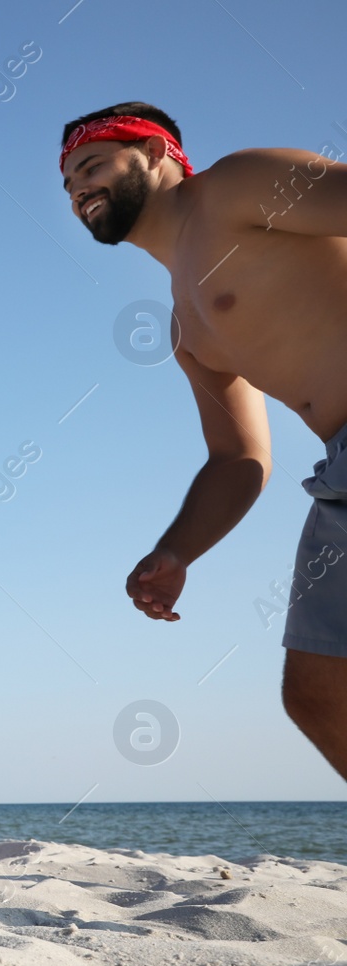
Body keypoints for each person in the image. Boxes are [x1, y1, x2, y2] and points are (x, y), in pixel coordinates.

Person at [60, 102, 347, 783]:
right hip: (337, 475)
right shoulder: (187, 327)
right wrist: (177, 547)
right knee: (317, 692)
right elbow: (239, 457)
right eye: (68, 184)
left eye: (92, 165)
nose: (77, 190)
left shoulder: (237, 185)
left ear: (157, 153)